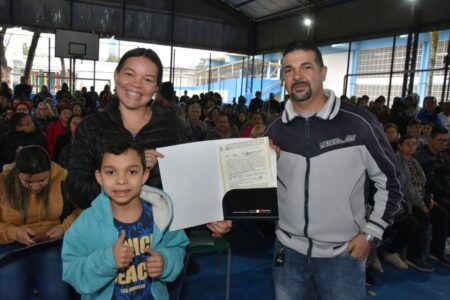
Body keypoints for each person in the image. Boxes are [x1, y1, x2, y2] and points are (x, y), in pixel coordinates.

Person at [264, 40, 402, 299]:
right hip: (287, 253)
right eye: (289, 70)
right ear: (283, 77)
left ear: (323, 72)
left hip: (343, 255)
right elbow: (260, 194)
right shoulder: (274, 132)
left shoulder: (358, 124)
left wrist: (371, 235)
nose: (297, 76)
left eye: (306, 67)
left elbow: (392, 183)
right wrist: (264, 165)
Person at [67, 47, 230, 243]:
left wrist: (210, 215)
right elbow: (77, 189)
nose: (137, 84)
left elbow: (191, 182)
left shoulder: (173, 126)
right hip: (105, 239)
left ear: (156, 88)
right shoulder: (91, 127)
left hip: (162, 241)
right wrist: (131, 171)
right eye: (129, 74)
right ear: (116, 75)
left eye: (148, 79)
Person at [62, 140, 188, 299]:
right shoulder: (85, 224)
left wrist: (166, 262)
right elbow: (72, 272)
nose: (121, 181)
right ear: (99, 177)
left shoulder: (162, 216)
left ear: (145, 175)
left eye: (132, 172)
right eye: (110, 172)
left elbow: (178, 248)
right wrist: (108, 260)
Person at [0, 145, 80, 299]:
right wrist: (14, 232)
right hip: (11, 245)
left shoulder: (63, 178)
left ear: (50, 171)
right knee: (11, 293)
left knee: (55, 292)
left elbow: (83, 211)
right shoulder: (2, 183)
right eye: (28, 181)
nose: (35, 187)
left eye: (43, 180)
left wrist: (64, 227)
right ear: (17, 174)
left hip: (50, 243)